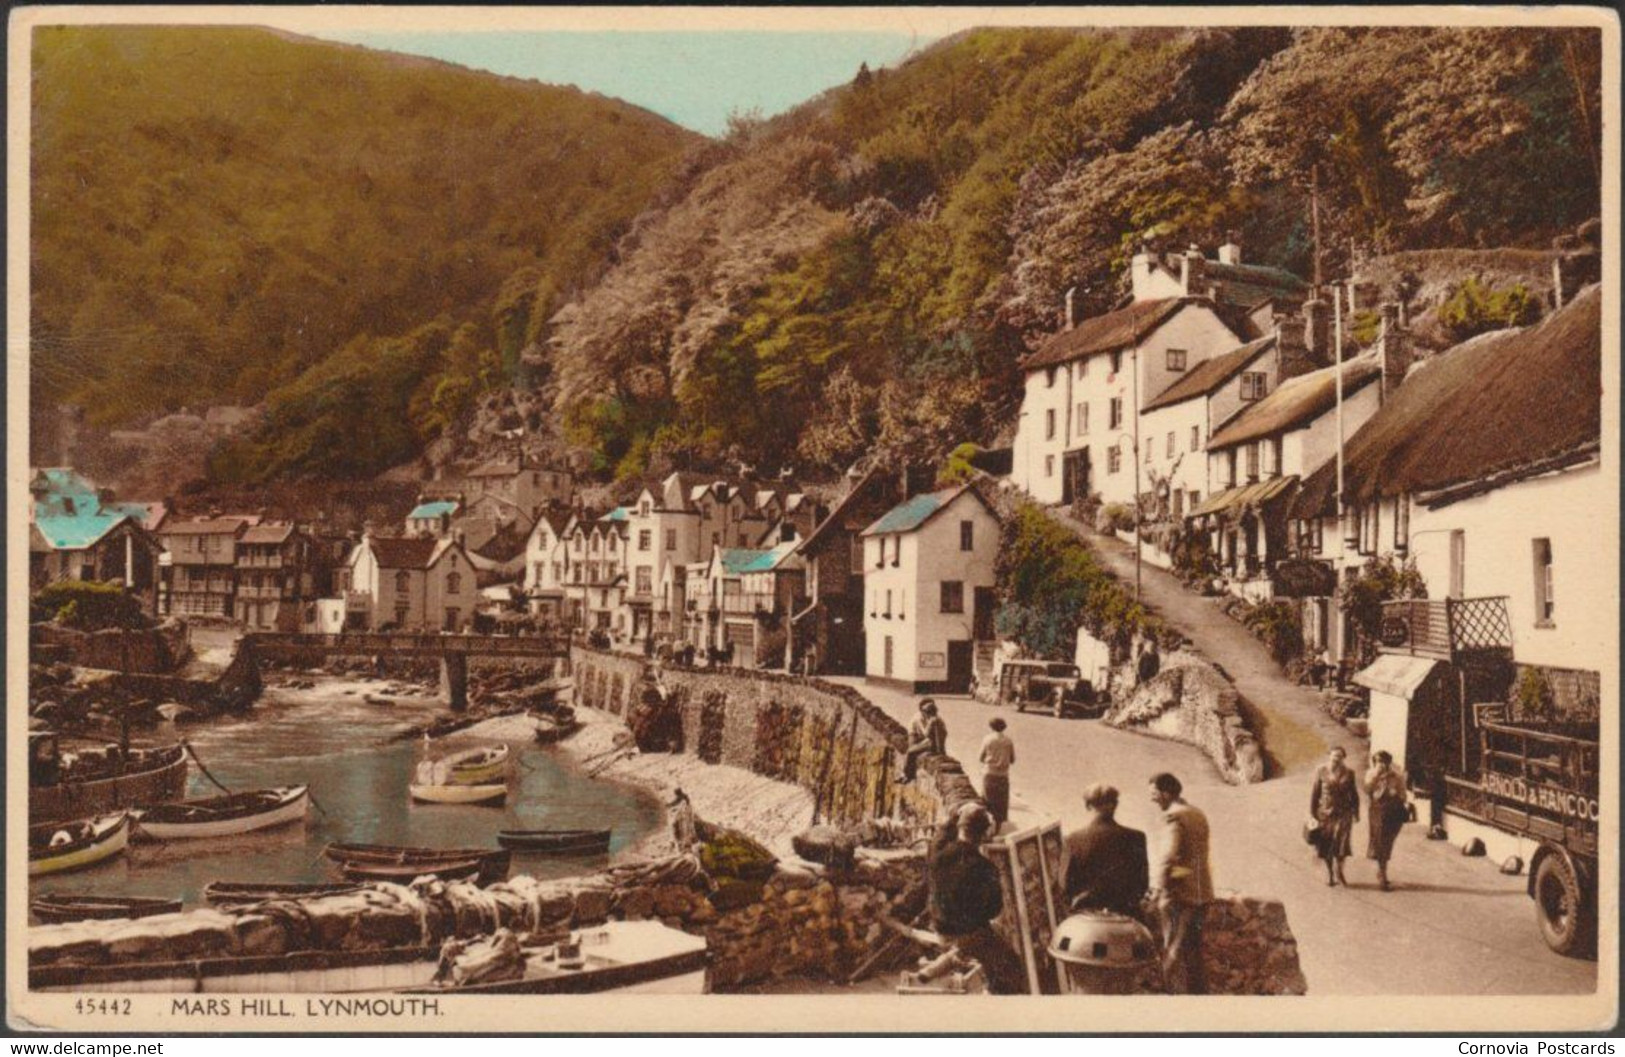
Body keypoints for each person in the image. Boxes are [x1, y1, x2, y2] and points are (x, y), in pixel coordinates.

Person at [927, 803, 1027, 995]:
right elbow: (994, 910)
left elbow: (941, 834)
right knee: (1011, 965)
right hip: (969, 935)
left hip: (940, 926)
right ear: (983, 835)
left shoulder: (937, 855)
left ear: (960, 828)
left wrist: (957, 813)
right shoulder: (985, 867)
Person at [1149, 772, 1212, 994]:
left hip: (1180, 896)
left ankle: (1174, 1003)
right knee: (1194, 954)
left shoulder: (1173, 817)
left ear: (1166, 793)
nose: (1152, 799)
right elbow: (1194, 861)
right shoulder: (1197, 813)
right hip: (1202, 893)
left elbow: (1169, 857)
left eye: (1154, 793)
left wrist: (1157, 889)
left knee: (1173, 951)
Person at [1061, 783, 1149, 917]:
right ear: (1115, 805)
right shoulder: (1136, 837)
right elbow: (1142, 883)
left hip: (1086, 915)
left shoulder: (1072, 840)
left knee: (1065, 938)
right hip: (1126, 914)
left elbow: (1065, 884)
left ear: (1087, 806)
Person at [1310, 746, 1360, 886]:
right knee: (1326, 844)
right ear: (1329, 756)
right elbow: (1315, 793)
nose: (1336, 758)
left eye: (1339, 756)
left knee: (1342, 844)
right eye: (1334, 755)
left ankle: (1339, 871)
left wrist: (1356, 812)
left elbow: (1354, 794)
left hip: (1344, 813)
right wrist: (1312, 813)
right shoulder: (1321, 770)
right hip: (1325, 813)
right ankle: (1329, 874)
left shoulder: (1349, 773)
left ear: (1343, 758)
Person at [1365, 750, 1409, 891]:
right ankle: (1382, 873)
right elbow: (1367, 790)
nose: (1381, 765)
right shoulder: (1371, 774)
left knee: (1388, 841)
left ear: (1388, 763)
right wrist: (1376, 777)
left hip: (1393, 812)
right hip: (1377, 811)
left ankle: (1382, 870)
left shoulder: (1396, 776)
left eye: (1383, 762)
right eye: (1378, 762)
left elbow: (1403, 794)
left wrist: (1397, 794)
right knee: (1379, 840)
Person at [898, 699, 947, 784]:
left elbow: (926, 734)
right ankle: (907, 775)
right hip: (933, 744)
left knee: (910, 751)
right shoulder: (937, 719)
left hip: (930, 743)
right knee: (912, 750)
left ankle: (907, 775)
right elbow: (944, 734)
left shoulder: (932, 720)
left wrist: (929, 725)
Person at [978, 718, 1015, 828]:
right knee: (1001, 804)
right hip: (1003, 776)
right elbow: (1012, 759)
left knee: (988, 801)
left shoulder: (987, 739)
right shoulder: (1008, 740)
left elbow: (980, 758)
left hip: (989, 774)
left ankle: (988, 829)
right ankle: (999, 828)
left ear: (991, 727)